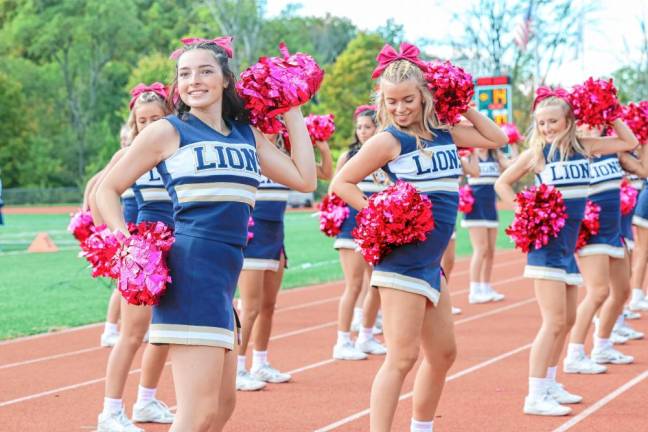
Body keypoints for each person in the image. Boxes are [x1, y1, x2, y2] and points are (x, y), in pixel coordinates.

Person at [96, 38, 316, 432]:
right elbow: (106, 189)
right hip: (190, 272)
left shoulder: (246, 135)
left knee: (221, 409)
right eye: (184, 74)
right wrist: (127, 244)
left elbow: (303, 178)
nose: (193, 80)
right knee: (196, 414)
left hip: (224, 279)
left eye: (204, 71)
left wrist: (293, 106)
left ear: (226, 80)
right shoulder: (168, 131)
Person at [332, 42, 507, 432]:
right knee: (402, 357)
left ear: (426, 95)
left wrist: (460, 103)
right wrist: (379, 211)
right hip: (403, 259)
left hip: (431, 264)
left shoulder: (445, 132)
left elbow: (495, 138)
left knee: (444, 354)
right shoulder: (389, 139)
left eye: (408, 99)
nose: (399, 108)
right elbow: (341, 182)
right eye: (391, 101)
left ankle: (421, 427)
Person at [495, 88, 638, 416]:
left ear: (570, 120)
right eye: (541, 122)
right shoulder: (538, 153)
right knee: (554, 321)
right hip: (546, 246)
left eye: (553, 121)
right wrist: (525, 210)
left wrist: (608, 109)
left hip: (568, 248)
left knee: (568, 319)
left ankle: (549, 382)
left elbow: (628, 142)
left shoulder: (585, 147)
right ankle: (534, 395)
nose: (546, 128)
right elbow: (502, 183)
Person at [94, 84, 176, 431]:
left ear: (169, 117)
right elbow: (100, 193)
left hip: (180, 243)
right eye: (142, 120)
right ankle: (110, 413)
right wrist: (119, 242)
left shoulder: (179, 148)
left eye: (155, 118)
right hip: (145, 248)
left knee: (166, 332)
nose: (148, 125)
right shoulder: (129, 154)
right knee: (132, 334)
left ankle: (146, 401)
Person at [236, 133, 332, 390]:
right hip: (252, 236)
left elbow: (322, 175)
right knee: (250, 307)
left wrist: (322, 148)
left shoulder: (285, 158)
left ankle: (260, 363)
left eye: (275, 121)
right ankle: (236, 367)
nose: (271, 127)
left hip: (276, 236)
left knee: (268, 306)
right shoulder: (246, 151)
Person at [331, 106, 388, 361]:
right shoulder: (349, 156)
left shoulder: (387, 156)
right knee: (354, 285)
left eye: (368, 127)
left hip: (376, 229)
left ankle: (365, 336)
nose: (363, 132)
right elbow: (334, 189)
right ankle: (342, 340)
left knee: (376, 283)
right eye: (360, 127)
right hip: (351, 229)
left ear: (378, 128)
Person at [463, 145, 518, 304]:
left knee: (491, 251)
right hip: (475, 208)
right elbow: (471, 172)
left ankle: (486, 287)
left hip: (490, 208)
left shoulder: (496, 154)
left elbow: (511, 165)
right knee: (480, 249)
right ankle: (474, 290)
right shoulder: (470, 155)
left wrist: (513, 145)